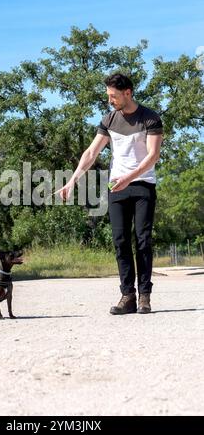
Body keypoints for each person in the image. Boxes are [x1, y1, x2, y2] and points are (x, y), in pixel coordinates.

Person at [58, 73, 163, 315]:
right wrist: (72, 180)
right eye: (108, 96)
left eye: (113, 96)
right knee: (120, 240)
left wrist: (129, 177)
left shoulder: (149, 118)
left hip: (143, 185)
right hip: (117, 188)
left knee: (143, 239)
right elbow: (91, 152)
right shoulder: (108, 119)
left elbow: (153, 156)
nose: (110, 100)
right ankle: (128, 296)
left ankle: (144, 296)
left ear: (128, 93)